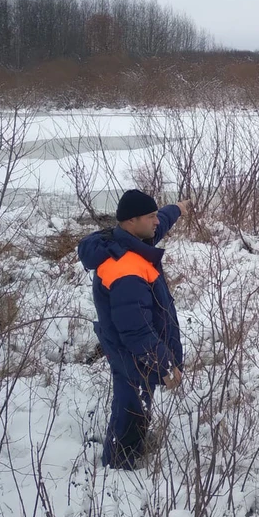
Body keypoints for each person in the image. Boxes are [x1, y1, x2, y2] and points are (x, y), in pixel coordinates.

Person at [77, 189, 191, 469]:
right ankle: (119, 465)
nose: (156, 223)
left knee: (137, 398)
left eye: (155, 216)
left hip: (128, 347)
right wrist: (165, 366)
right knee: (132, 406)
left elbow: (160, 221)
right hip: (130, 350)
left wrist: (176, 208)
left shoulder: (130, 240)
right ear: (131, 221)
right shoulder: (125, 269)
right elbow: (136, 331)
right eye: (150, 217)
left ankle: (125, 451)